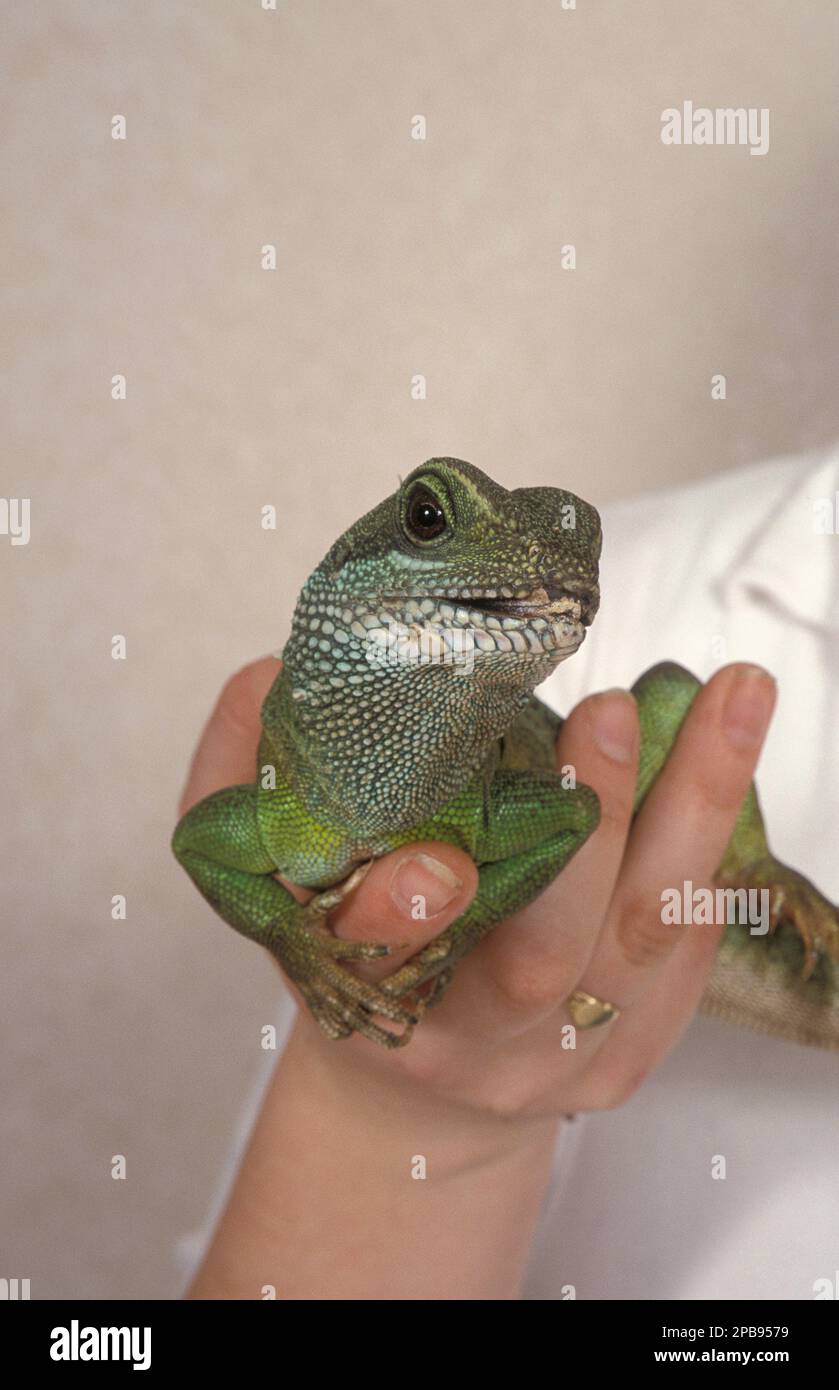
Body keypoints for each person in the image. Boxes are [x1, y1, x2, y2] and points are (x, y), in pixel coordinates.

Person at [176, 443, 839, 1301]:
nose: (536, 580)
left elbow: (568, 811)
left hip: (683, 896)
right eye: (429, 521)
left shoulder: (542, 660)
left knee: (665, 707)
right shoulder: (298, 791)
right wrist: (405, 1107)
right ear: (340, 579)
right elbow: (199, 843)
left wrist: (742, 863)